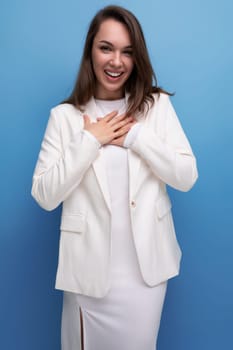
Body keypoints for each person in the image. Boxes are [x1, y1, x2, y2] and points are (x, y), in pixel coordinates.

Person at [31, 5, 198, 350]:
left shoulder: (157, 107)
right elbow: (45, 196)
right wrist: (91, 140)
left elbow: (186, 177)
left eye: (127, 52)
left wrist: (137, 138)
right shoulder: (64, 118)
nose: (116, 61)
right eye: (106, 48)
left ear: (137, 58)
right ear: (90, 50)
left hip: (144, 276)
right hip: (88, 275)